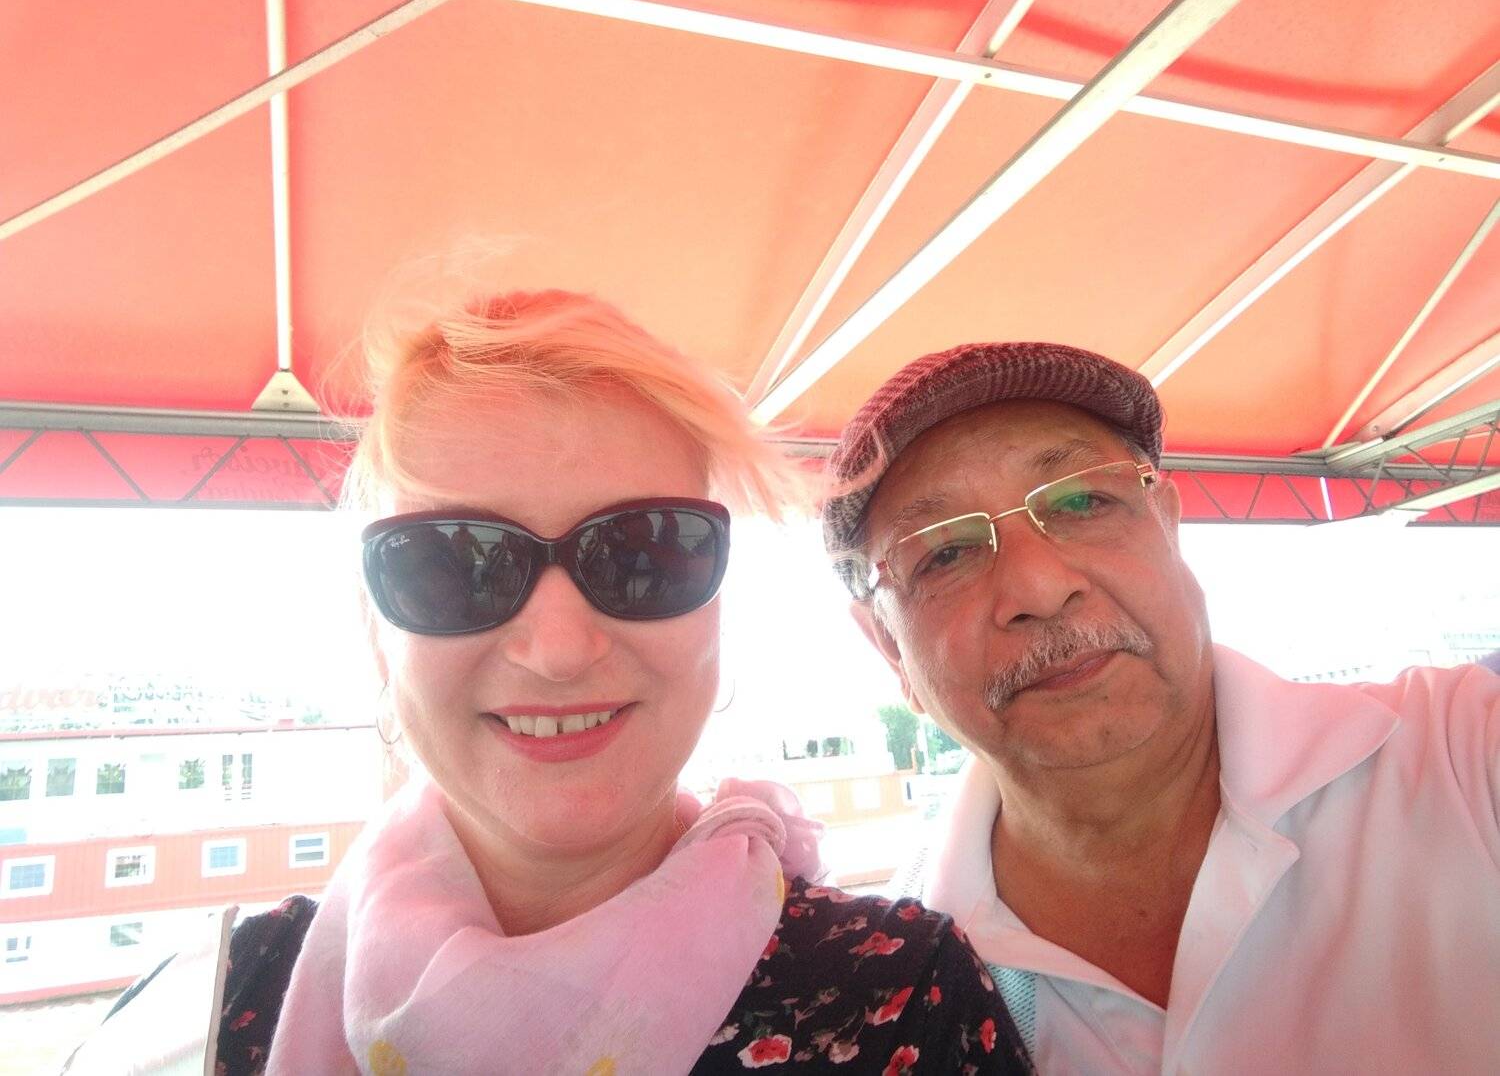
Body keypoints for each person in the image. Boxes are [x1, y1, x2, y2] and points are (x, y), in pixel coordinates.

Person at [81, 290, 1030, 1075]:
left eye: (645, 551)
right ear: (377, 635)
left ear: (718, 611)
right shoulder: (208, 1012)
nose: (559, 647)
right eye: (453, 564)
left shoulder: (907, 999)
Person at [820, 342, 1500, 1074]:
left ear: (1169, 527)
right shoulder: (878, 995)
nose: (1040, 588)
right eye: (945, 552)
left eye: (1082, 501)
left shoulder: (1462, 753)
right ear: (890, 649)